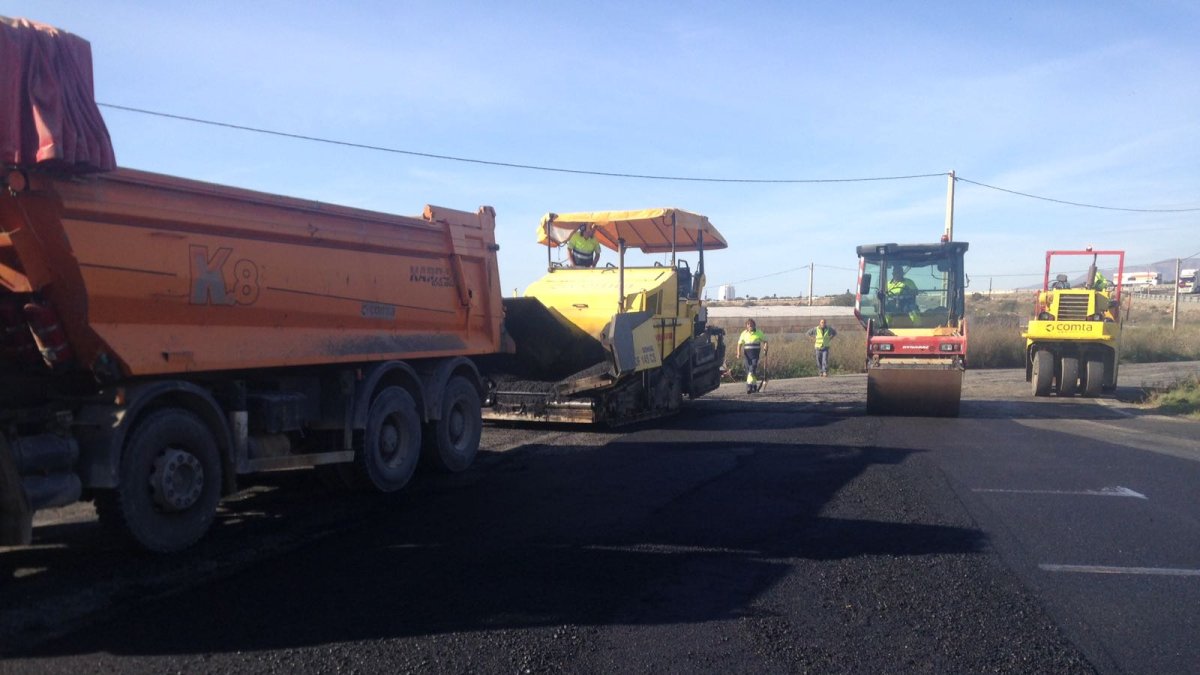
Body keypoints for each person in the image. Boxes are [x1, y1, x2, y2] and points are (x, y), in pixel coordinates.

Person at [736, 319, 768, 394]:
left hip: (755, 355)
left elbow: (765, 341)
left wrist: (765, 347)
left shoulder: (759, 332)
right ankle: (754, 385)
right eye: (748, 324)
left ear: (754, 325)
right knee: (749, 371)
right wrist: (738, 353)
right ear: (746, 326)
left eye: (751, 324)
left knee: (752, 369)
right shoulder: (744, 333)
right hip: (747, 355)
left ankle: (749, 386)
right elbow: (739, 344)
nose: (750, 326)